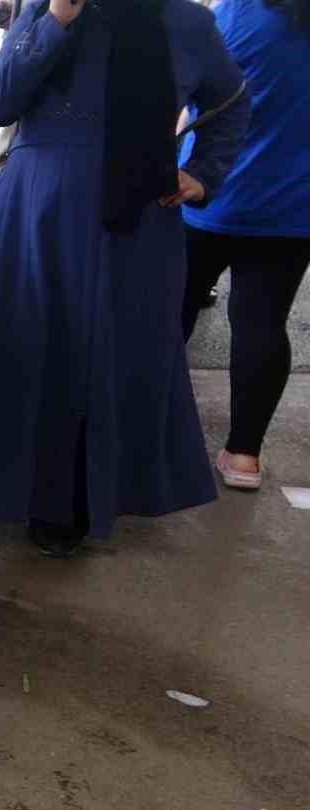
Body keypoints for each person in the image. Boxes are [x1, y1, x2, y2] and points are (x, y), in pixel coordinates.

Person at [0, 0, 248, 558]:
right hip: (32, 213)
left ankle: (66, 502)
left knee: (98, 357)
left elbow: (231, 101)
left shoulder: (184, 20)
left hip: (133, 223)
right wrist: (55, 22)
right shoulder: (48, 8)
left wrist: (203, 173)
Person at [180, 0, 308, 491]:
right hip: (292, 208)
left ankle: (144, 427)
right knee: (262, 322)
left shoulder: (234, 15)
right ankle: (244, 456)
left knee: (174, 308)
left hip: (208, 195)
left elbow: (192, 89)